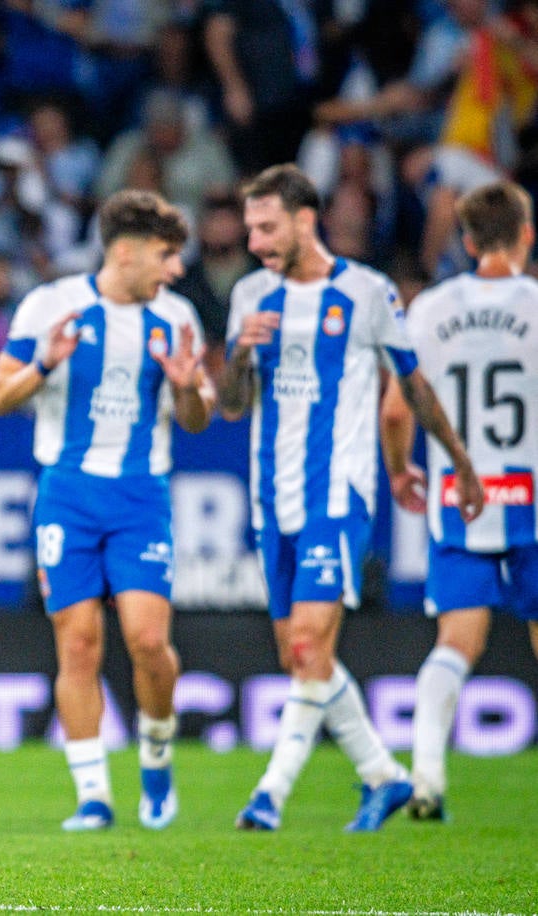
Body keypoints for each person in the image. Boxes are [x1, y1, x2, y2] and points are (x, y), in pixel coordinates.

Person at [217, 163, 484, 832]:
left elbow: (414, 386)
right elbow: (229, 407)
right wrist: (239, 359)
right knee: (298, 656)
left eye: (267, 226)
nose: (254, 241)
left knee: (308, 646)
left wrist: (457, 461)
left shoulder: (367, 293)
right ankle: (385, 776)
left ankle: (268, 796)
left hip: (338, 495)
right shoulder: (250, 293)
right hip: (268, 498)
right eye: (250, 228)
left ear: (307, 220)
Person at [0, 189, 215, 832]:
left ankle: (158, 759)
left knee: (148, 640)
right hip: (68, 494)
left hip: (142, 496)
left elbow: (198, 419)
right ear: (127, 251)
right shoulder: (51, 305)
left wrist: (185, 384)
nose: (175, 270)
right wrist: (45, 363)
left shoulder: (179, 317)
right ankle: (94, 797)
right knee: (78, 645)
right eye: (167, 256)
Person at [380, 180, 538, 821]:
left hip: (459, 496)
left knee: (456, 641)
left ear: (467, 241)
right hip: (532, 495)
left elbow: (397, 411)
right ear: (526, 234)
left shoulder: (431, 309)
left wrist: (399, 471)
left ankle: (427, 778)